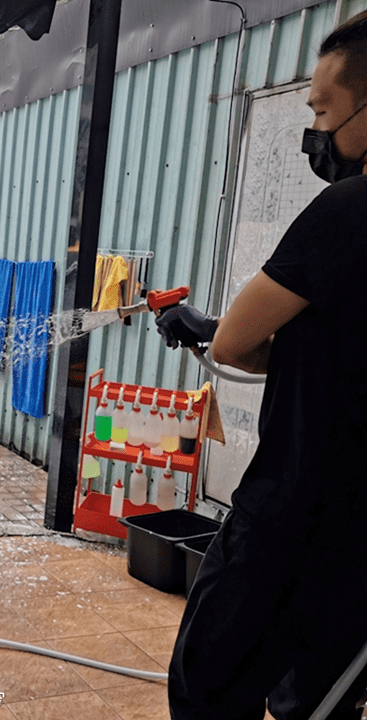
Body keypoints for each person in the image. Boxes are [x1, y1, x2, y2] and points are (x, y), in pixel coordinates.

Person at [156, 11, 367, 720]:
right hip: (355, 538)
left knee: (208, 686)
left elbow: (235, 346)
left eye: (324, 112)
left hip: (293, 513)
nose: (316, 131)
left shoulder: (348, 208)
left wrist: (213, 331)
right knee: (319, 701)